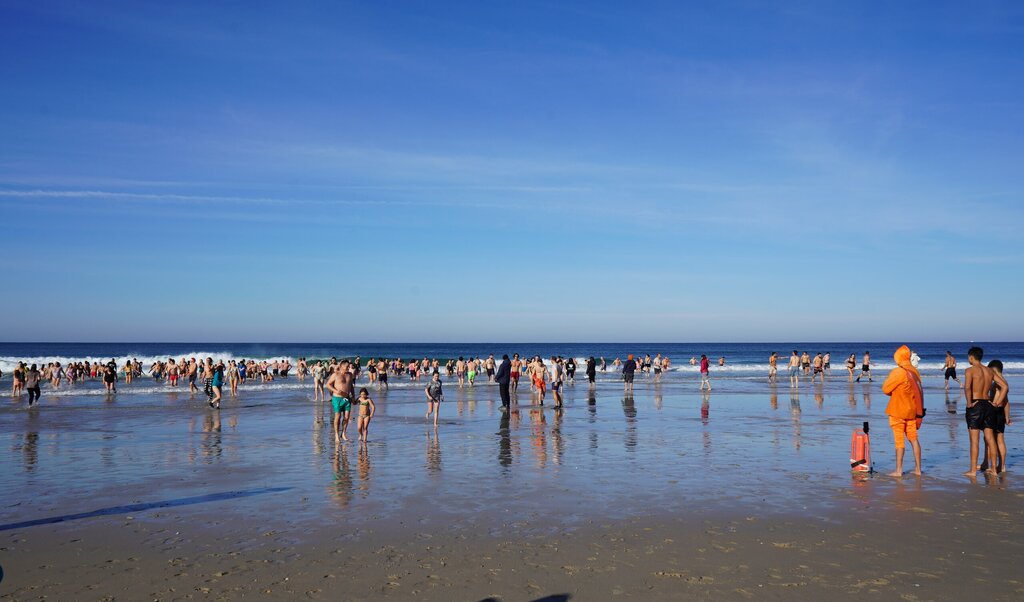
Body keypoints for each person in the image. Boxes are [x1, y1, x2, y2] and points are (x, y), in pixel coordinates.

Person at [882, 345, 924, 477]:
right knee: (913, 438)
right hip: (912, 411)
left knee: (899, 440)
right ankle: (918, 469)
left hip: (898, 410)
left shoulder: (898, 372)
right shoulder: (914, 371)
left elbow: (885, 389)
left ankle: (899, 470)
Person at [963, 347, 997, 477]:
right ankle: (993, 469)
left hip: (975, 405)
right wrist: (996, 402)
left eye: (968, 357)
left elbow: (967, 388)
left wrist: (969, 403)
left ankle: (972, 471)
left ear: (971, 357)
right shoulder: (989, 371)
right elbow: (1004, 386)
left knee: (974, 440)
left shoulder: (969, 370)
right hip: (988, 405)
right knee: (990, 439)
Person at [981, 360, 1011, 474]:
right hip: (1001, 413)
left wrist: (995, 403)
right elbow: (1007, 402)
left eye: (990, 371)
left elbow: (1002, 401)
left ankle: (994, 465)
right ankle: (1000, 466)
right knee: (998, 439)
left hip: (995, 411)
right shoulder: (1003, 382)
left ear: (995, 370)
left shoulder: (1000, 383)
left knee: (991, 439)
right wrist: (1007, 417)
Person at [326, 360, 355, 443]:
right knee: (338, 416)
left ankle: (343, 434)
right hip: (337, 398)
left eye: (349, 366)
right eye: (347, 367)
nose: (348, 368)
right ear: (341, 366)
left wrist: (353, 396)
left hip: (347, 399)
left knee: (346, 417)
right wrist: (335, 391)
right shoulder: (335, 374)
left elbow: (351, 386)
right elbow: (328, 384)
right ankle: (336, 435)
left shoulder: (350, 374)